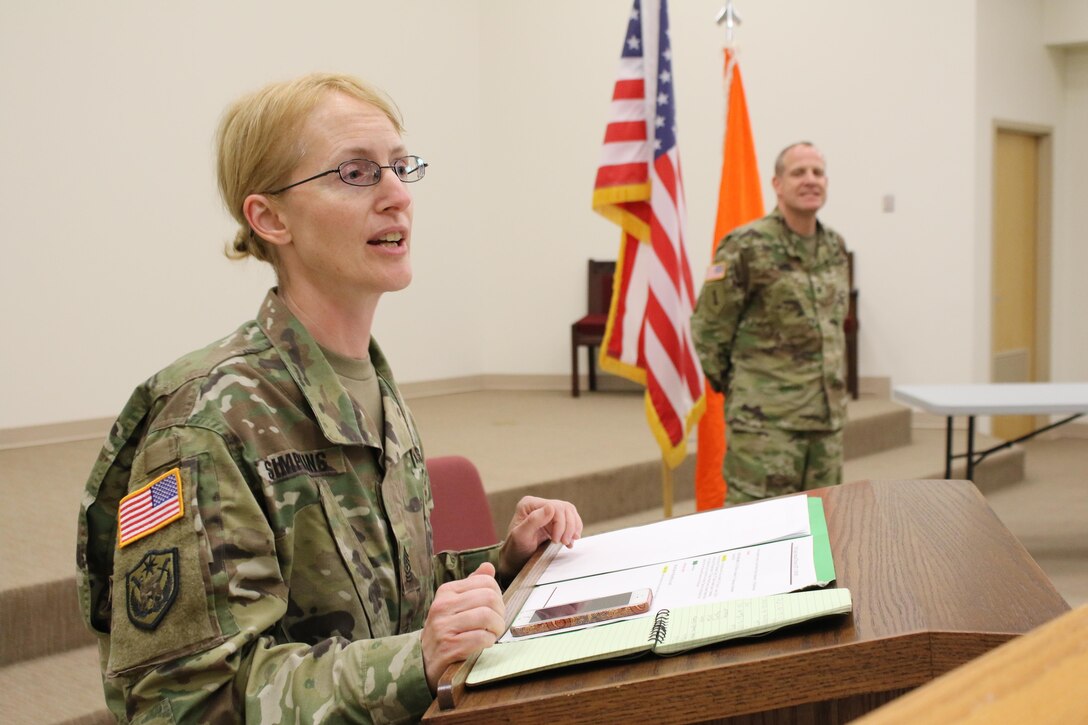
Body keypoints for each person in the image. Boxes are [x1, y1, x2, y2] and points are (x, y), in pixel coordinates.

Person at [75, 72, 583, 723]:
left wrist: (504, 564)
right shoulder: (204, 425)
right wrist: (413, 663)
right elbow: (185, 701)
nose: (398, 195)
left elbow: (387, 599)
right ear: (270, 217)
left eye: (401, 167)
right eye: (356, 172)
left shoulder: (370, 383)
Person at [691, 141, 849, 504]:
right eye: (798, 172)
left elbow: (833, 327)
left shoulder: (835, 248)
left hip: (826, 424)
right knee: (758, 531)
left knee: (826, 522)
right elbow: (708, 328)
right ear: (777, 183)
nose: (811, 180)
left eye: (818, 172)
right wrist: (745, 392)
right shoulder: (746, 245)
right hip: (765, 427)